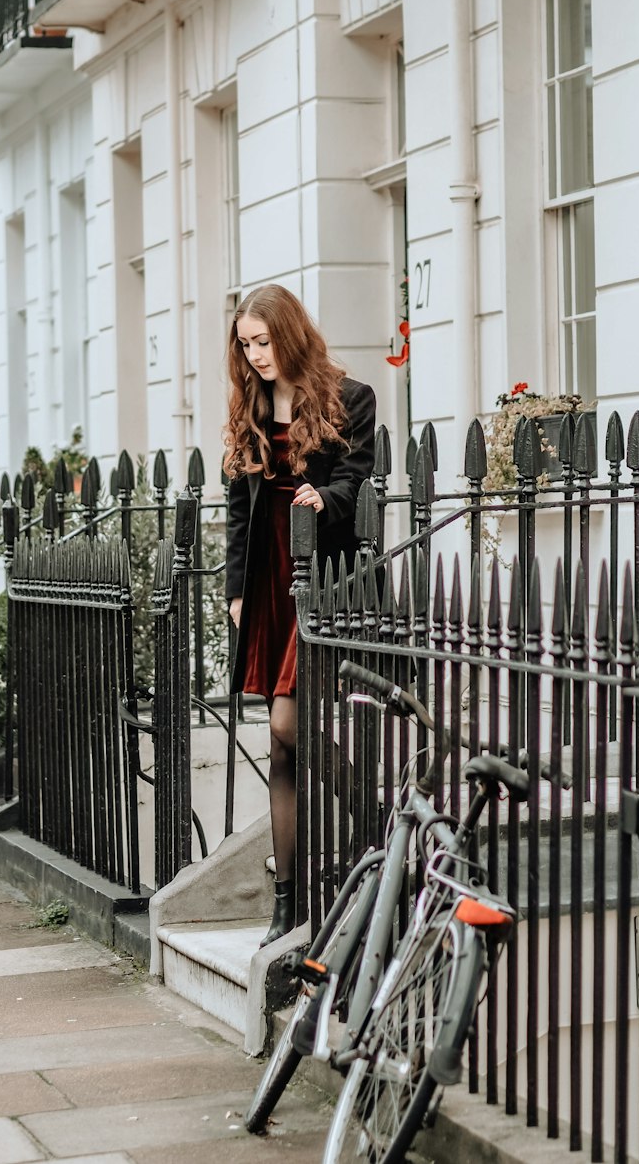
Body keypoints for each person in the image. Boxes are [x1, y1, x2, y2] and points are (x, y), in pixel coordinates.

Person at [223, 285, 376, 947]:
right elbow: (235, 506)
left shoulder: (349, 397)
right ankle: (288, 904)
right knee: (278, 743)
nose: (254, 354)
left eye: (263, 341)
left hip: (321, 576)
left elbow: (359, 481)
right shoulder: (250, 405)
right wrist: (233, 590)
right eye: (245, 344)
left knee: (289, 723)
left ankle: (372, 816)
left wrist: (326, 497)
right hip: (266, 582)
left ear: (288, 334)